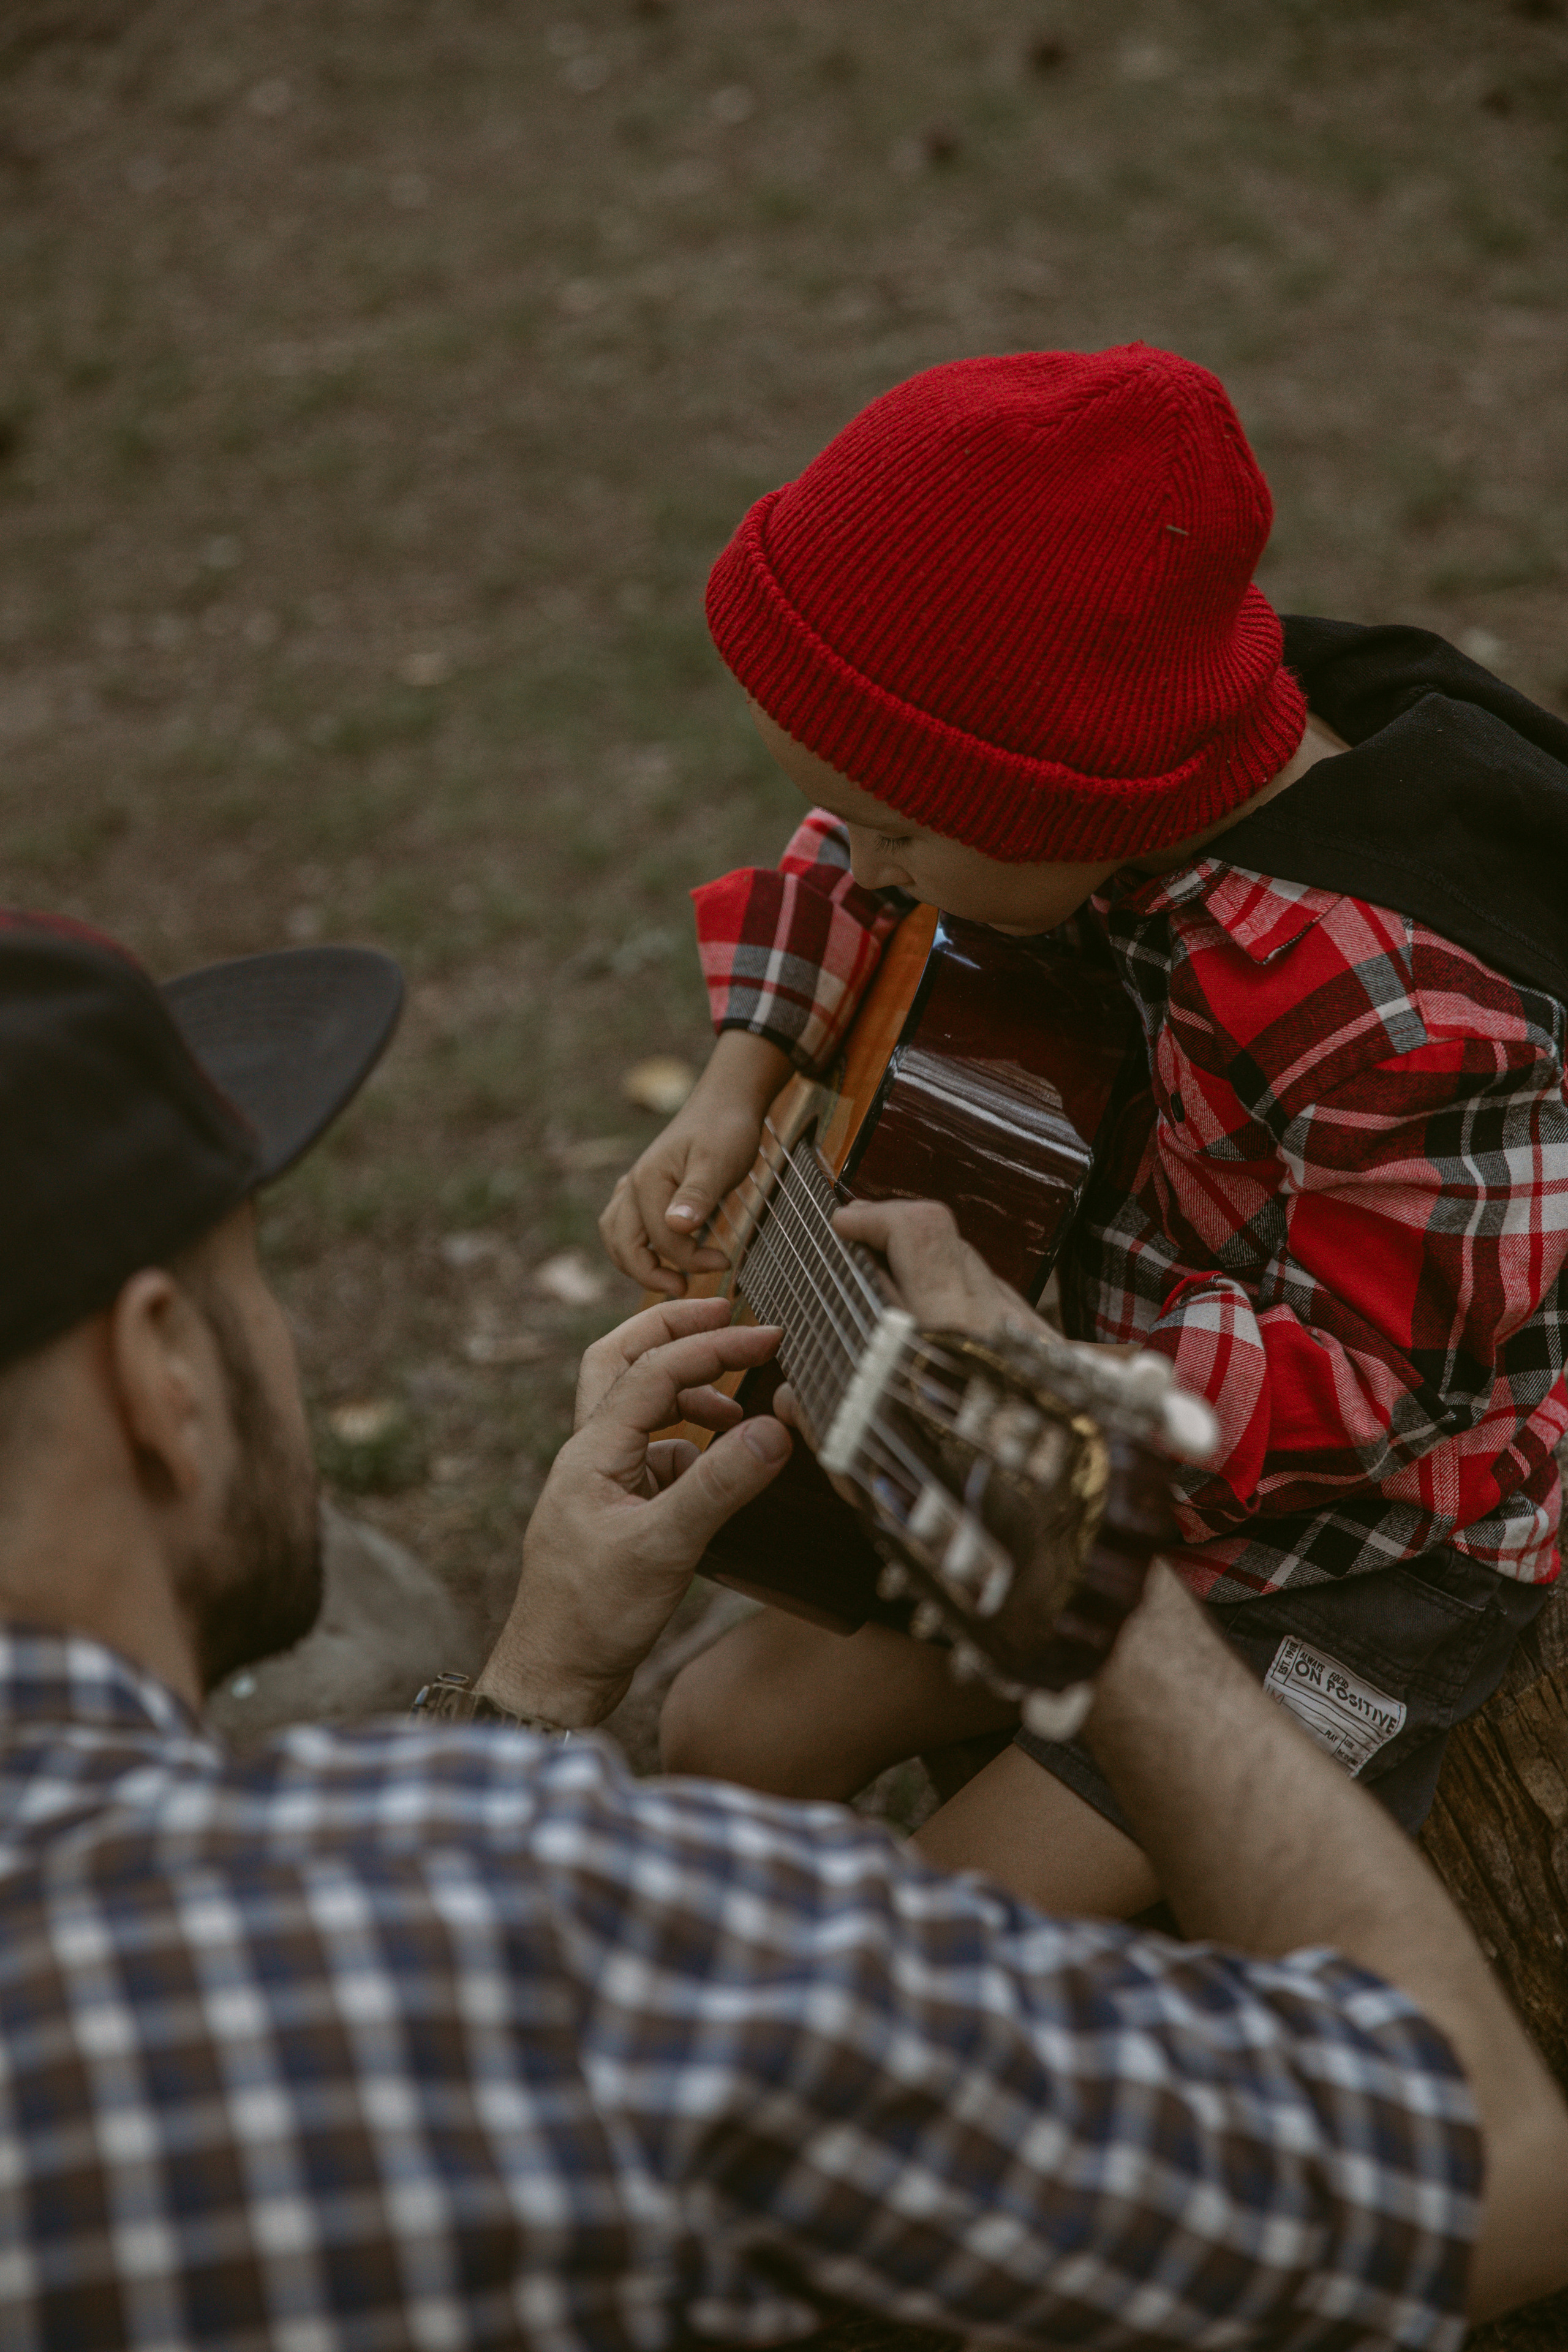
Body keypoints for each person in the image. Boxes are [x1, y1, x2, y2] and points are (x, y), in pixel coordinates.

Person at [2, 906, 1567, 2345]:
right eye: (253, 1283)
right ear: (163, 1376)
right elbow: (1488, 2171)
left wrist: (536, 1677)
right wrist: (1083, 1567)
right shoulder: (555, 1941)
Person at [600, 342, 1568, 1918]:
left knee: (959, 1919)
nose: (872, 863)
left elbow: (1383, 1385)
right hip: (1064, 1442)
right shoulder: (1061, 786)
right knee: (723, 1731)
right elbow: (848, 855)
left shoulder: (1400, 1015)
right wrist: (738, 1078)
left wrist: (1012, 1378)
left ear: (1072, 801)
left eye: (904, 830)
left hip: (1342, 1557)